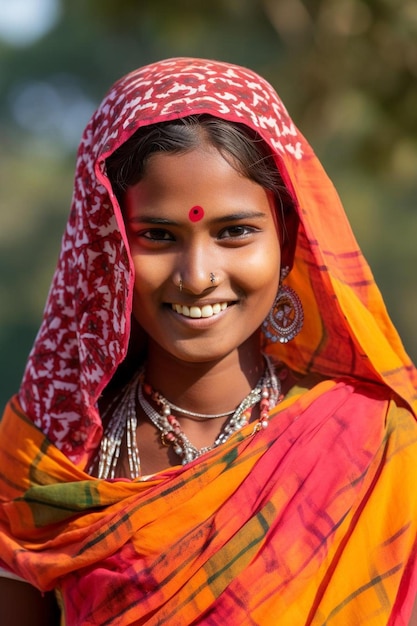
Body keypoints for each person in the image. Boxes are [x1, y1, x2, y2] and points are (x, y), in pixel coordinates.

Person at [0, 57, 416, 626]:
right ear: (109, 248)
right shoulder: (44, 463)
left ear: (289, 237)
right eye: (158, 236)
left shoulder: (377, 447)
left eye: (235, 232)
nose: (197, 275)